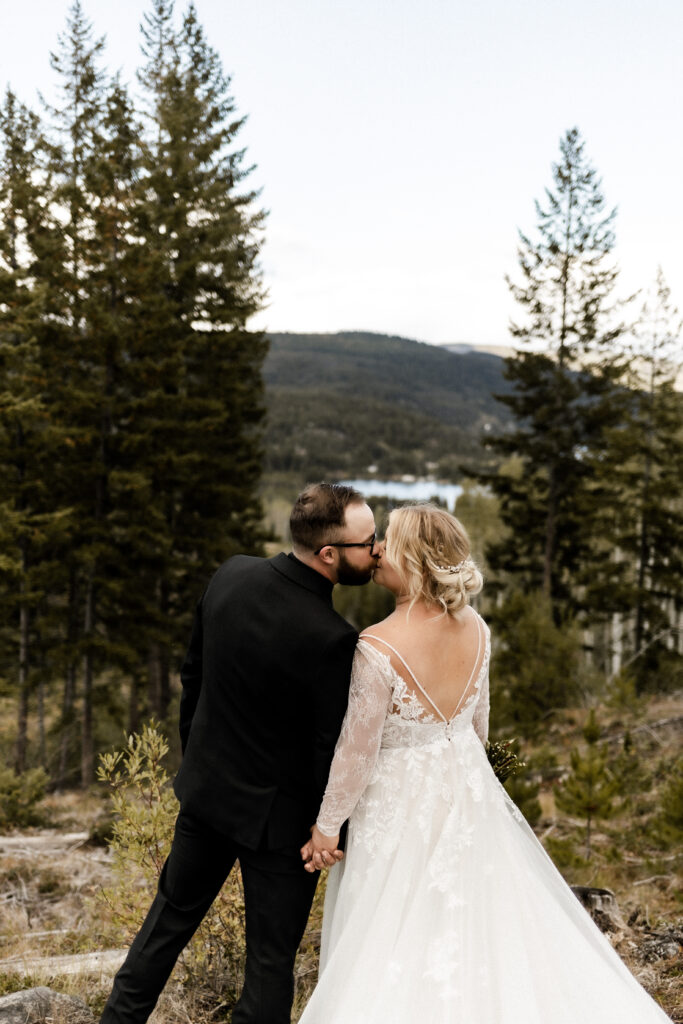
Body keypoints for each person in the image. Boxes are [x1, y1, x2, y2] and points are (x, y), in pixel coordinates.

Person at [299, 503, 672, 1023]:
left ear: (416, 559)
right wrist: (470, 786)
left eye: (388, 541)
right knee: (474, 923)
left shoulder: (376, 646)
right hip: (466, 796)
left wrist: (326, 828)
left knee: (391, 927)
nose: (377, 549)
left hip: (397, 805)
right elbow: (478, 729)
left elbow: (356, 753)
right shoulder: (477, 628)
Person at [100, 482, 378, 1024]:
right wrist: (328, 828)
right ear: (329, 554)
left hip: (207, 797)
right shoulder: (333, 637)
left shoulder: (231, 573)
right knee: (269, 967)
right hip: (284, 830)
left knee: (164, 929)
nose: (378, 549)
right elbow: (328, 748)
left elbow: (192, 677)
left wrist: (199, 761)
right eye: (368, 542)